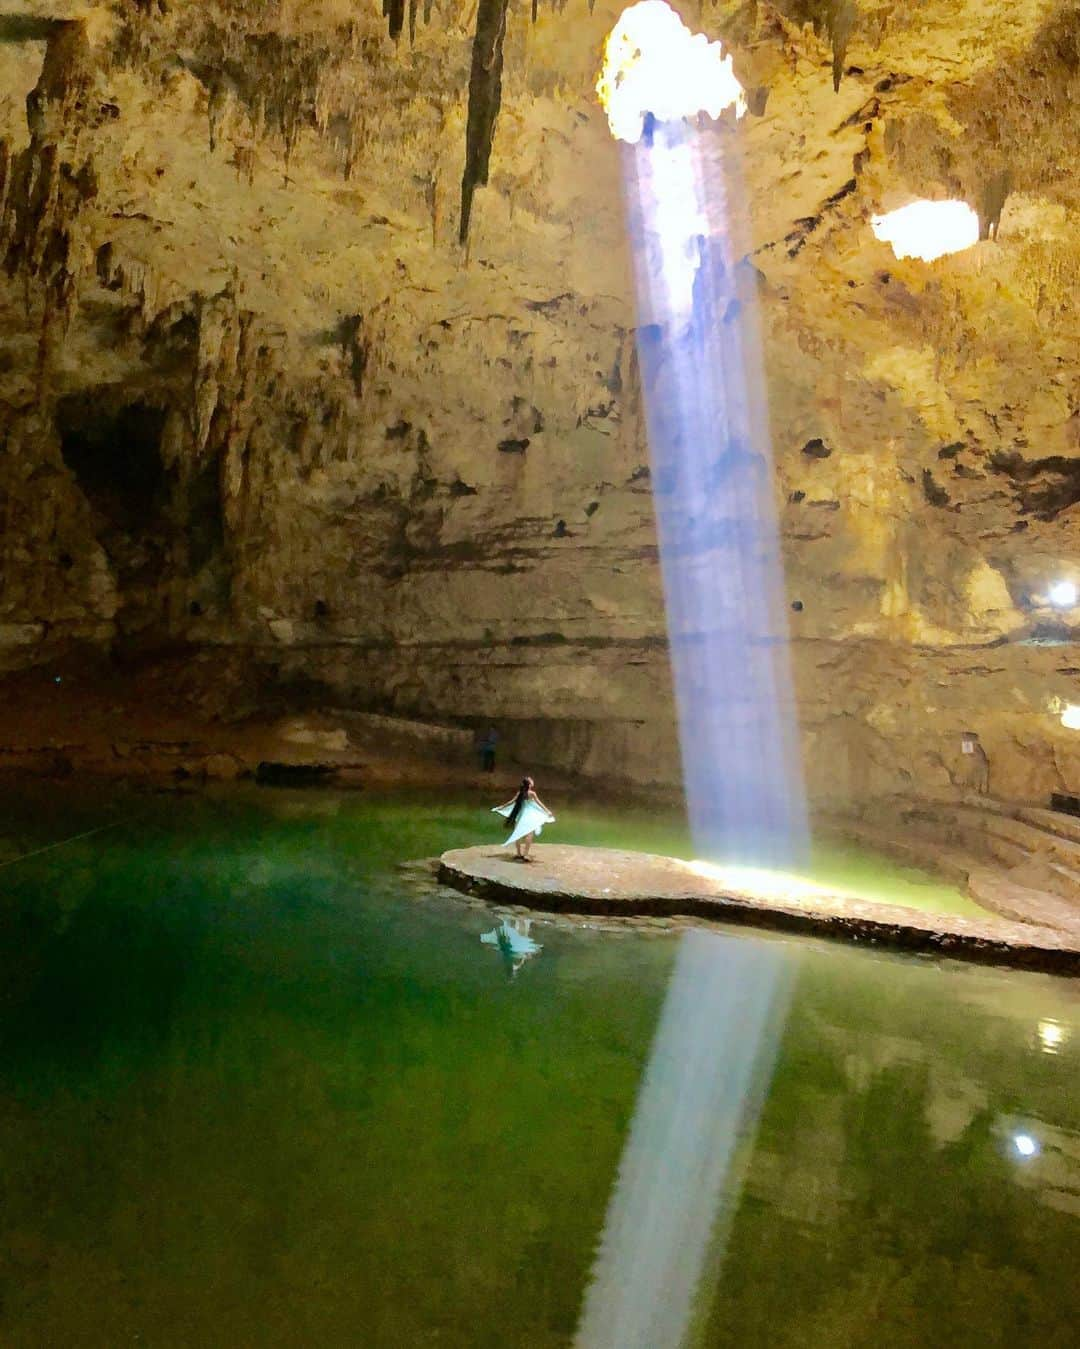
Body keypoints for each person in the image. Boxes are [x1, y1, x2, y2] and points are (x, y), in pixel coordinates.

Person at [492, 776, 555, 862]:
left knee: (518, 832)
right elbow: (540, 804)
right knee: (529, 834)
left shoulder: (520, 793)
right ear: (529, 784)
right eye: (531, 780)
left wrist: (501, 807)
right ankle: (525, 854)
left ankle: (518, 853)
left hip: (521, 815)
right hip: (529, 815)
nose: (533, 781)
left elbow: (511, 802)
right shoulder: (532, 794)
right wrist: (547, 811)